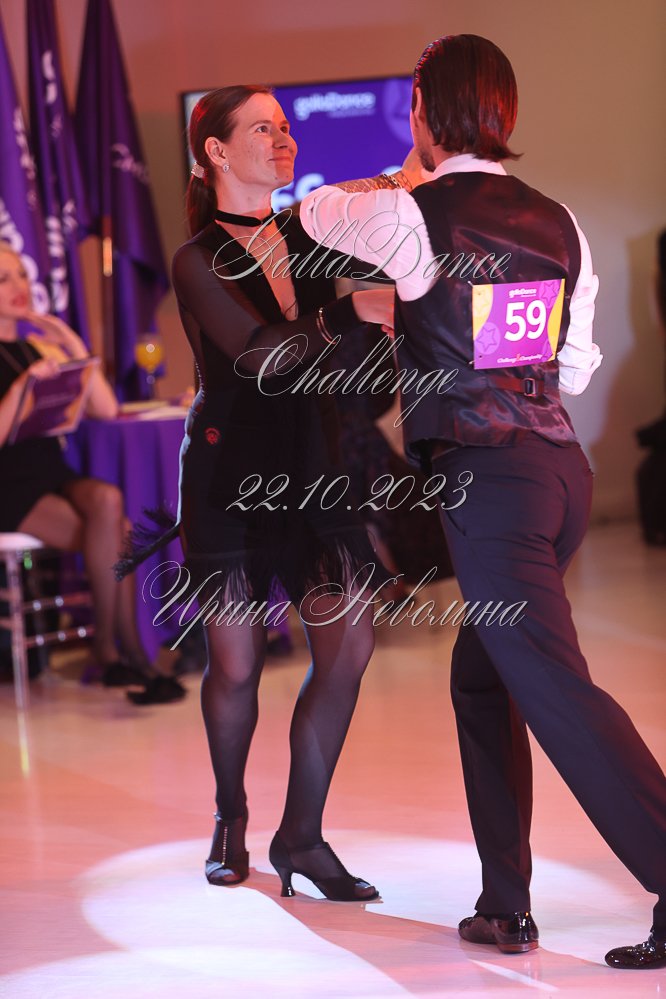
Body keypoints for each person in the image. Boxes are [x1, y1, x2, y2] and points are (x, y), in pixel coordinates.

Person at [300, 35, 666, 968]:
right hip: (558, 473)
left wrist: (401, 178)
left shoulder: (410, 214)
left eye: (414, 104)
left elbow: (312, 212)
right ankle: (505, 904)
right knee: (484, 675)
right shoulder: (560, 219)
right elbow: (571, 368)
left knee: (555, 688)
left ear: (423, 110)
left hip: (490, 482)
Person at [119, 85, 395, 898]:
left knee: (349, 645)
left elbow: (391, 246)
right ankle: (230, 814)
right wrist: (348, 315)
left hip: (314, 468)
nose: (283, 139)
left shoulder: (310, 234)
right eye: (263, 128)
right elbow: (258, 354)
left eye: (285, 126)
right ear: (214, 151)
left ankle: (301, 836)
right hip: (229, 477)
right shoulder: (195, 258)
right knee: (236, 666)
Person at [0, 241, 185, 705]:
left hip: (51, 472)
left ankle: (109, 647)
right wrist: (22, 388)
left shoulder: (39, 346)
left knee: (108, 500)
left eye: (21, 274)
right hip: (8, 485)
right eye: (4, 279)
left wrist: (70, 342)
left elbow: (104, 407)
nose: (19, 286)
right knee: (118, 530)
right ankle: (127, 653)